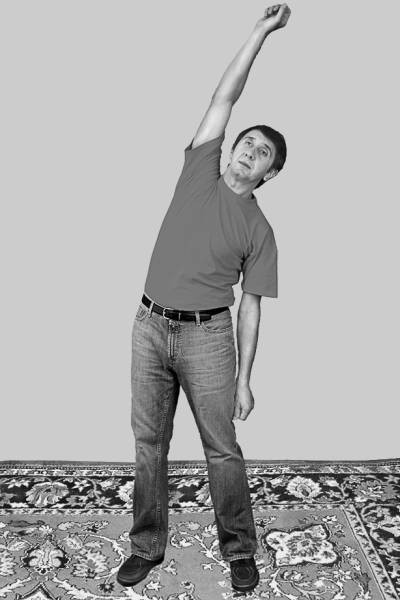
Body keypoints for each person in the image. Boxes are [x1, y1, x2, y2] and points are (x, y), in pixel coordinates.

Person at [117, 3, 291, 594]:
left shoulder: (260, 231)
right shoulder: (199, 171)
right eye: (246, 142)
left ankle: (239, 550)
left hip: (208, 337)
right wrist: (260, 32)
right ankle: (146, 547)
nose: (249, 151)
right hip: (149, 325)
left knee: (222, 449)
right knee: (149, 444)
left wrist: (244, 379)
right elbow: (225, 95)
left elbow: (252, 307)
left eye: (262, 153)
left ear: (269, 174)